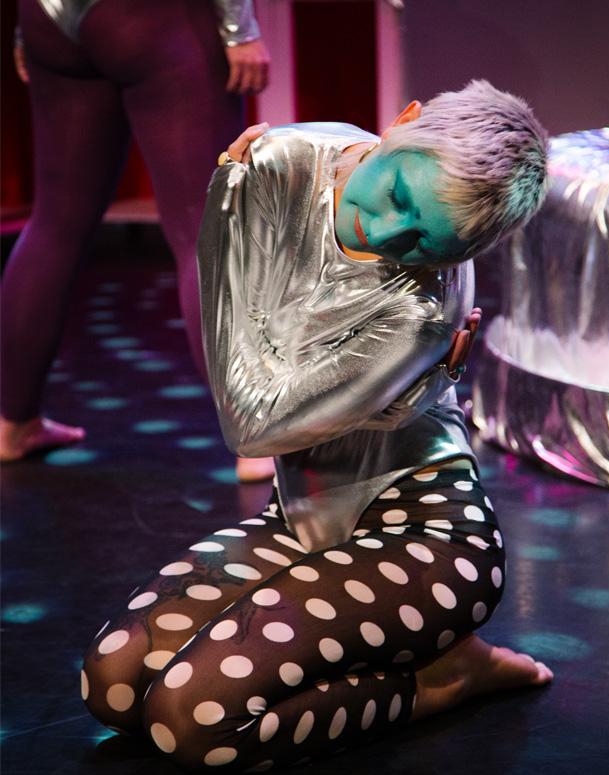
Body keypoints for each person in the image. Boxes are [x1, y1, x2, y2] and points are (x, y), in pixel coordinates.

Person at [81, 80, 552, 771]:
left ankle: (440, 680)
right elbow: (252, 387)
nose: (390, 235)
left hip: (425, 538)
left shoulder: (424, 310)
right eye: (397, 196)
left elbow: (250, 422)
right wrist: (233, 201)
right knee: (112, 682)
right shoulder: (287, 159)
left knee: (191, 722)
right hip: (301, 520)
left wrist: (227, 213)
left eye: (426, 241)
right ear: (402, 121)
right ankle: (426, 655)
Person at [0, 0, 274, 482]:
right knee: (202, 229)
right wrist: (239, 27)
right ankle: (256, 440)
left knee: (55, 222)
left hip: (46, 17)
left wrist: (27, 31)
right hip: (147, 17)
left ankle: (12, 424)